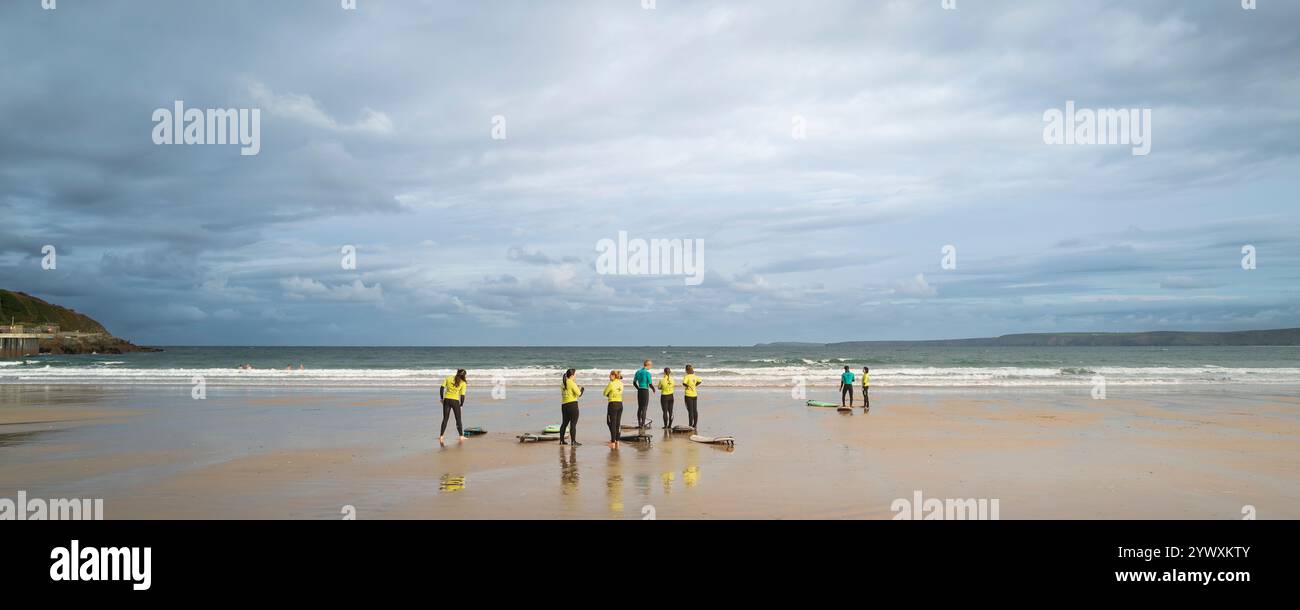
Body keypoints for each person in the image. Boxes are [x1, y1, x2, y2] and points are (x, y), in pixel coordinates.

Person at [439, 368, 468, 446]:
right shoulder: (463, 383)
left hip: (447, 400)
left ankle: (441, 436)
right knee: (458, 419)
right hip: (455, 401)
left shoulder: (448, 378)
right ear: (464, 376)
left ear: (457, 372)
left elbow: (442, 388)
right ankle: (461, 436)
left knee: (445, 419)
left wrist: (441, 398)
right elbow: (462, 396)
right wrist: (461, 405)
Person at [559, 368, 584, 446]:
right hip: (572, 405)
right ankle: (573, 441)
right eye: (575, 375)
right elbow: (579, 394)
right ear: (572, 375)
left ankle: (561, 440)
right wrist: (582, 389)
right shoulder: (571, 383)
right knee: (573, 424)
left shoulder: (563, 383)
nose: (575, 376)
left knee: (564, 423)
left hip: (564, 405)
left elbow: (567, 392)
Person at [603, 370, 625, 449]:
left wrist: (609, 394)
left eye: (610, 375)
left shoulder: (611, 384)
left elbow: (604, 393)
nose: (609, 376)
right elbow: (620, 392)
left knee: (610, 423)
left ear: (613, 376)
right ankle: (617, 441)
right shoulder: (621, 384)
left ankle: (613, 442)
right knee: (617, 423)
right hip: (620, 404)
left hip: (612, 404)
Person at [633, 359, 655, 429]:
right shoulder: (647, 373)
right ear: (648, 365)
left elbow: (634, 382)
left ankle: (639, 423)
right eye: (650, 365)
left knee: (639, 407)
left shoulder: (638, 372)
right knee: (644, 408)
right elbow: (650, 383)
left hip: (640, 391)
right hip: (645, 391)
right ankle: (643, 424)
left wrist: (638, 388)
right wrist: (653, 389)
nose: (651, 367)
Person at [682, 364, 702, 429]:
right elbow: (700, 381)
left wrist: (688, 386)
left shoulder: (687, 376)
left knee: (690, 411)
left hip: (688, 395)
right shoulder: (695, 376)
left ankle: (690, 425)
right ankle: (695, 425)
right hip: (694, 395)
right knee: (695, 410)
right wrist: (695, 385)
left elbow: (684, 383)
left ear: (686, 370)